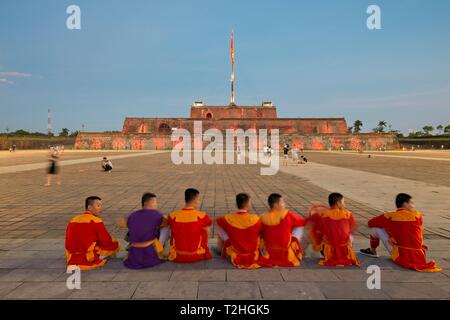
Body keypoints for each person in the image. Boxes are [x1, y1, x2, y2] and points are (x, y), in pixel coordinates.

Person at [360, 193, 441, 272]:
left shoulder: (390, 216)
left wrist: (388, 227)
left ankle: (372, 250)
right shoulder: (418, 215)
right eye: (411, 203)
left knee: (375, 228)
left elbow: (370, 223)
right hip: (419, 256)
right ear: (405, 204)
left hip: (400, 255)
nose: (413, 205)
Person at [65, 196, 120, 270]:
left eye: (101, 206)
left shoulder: (73, 219)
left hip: (71, 257)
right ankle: (102, 256)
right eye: (98, 206)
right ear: (90, 207)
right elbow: (106, 241)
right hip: (88, 257)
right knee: (114, 243)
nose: (100, 208)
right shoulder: (96, 221)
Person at [118, 193, 171, 269]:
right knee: (166, 228)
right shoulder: (156, 214)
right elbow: (167, 223)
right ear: (146, 203)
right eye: (154, 202)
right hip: (148, 252)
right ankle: (161, 249)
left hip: (134, 254)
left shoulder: (133, 215)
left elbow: (125, 224)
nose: (156, 204)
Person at [306, 193, 360, 267]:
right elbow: (353, 228)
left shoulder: (322, 214)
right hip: (345, 251)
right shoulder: (348, 214)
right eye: (344, 202)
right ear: (338, 203)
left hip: (327, 252)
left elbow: (308, 221)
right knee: (349, 236)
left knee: (317, 232)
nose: (345, 204)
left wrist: (313, 209)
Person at [216, 193, 262, 269]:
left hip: (236, 253)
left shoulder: (228, 218)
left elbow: (218, 221)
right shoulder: (255, 218)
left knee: (222, 228)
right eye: (250, 202)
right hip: (252, 254)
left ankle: (220, 249)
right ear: (247, 204)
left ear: (236, 204)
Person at [259, 193, 305, 267]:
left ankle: (264, 250)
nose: (285, 204)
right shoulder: (287, 214)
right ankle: (294, 244)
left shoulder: (262, 217)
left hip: (268, 251)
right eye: (283, 202)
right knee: (299, 226)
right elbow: (302, 222)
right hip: (285, 252)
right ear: (276, 205)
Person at [167, 188, 212, 263]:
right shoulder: (202, 215)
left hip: (178, 255)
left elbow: (166, 221)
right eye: (198, 199)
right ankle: (202, 248)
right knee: (205, 228)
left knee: (171, 227)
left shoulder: (173, 216)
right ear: (195, 200)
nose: (199, 202)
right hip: (196, 255)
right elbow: (209, 222)